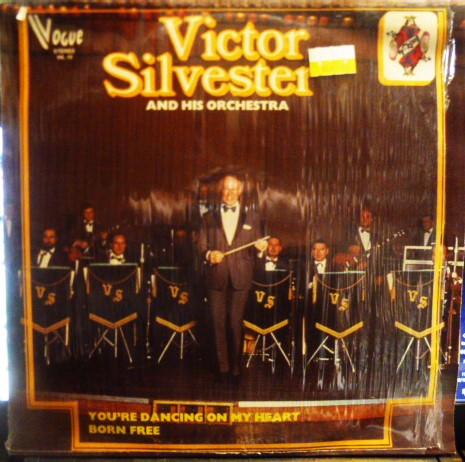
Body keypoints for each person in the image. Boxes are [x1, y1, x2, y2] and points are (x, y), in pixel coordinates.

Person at [198, 175, 268, 383]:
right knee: (217, 323)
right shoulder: (208, 217)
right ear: (221, 192)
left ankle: (236, 369)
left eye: (233, 189)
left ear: (240, 192)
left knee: (234, 323)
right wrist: (209, 255)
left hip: (241, 277)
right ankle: (223, 369)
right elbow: (200, 246)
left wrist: (261, 249)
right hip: (216, 276)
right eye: (226, 189)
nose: (229, 193)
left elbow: (258, 246)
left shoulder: (252, 218)